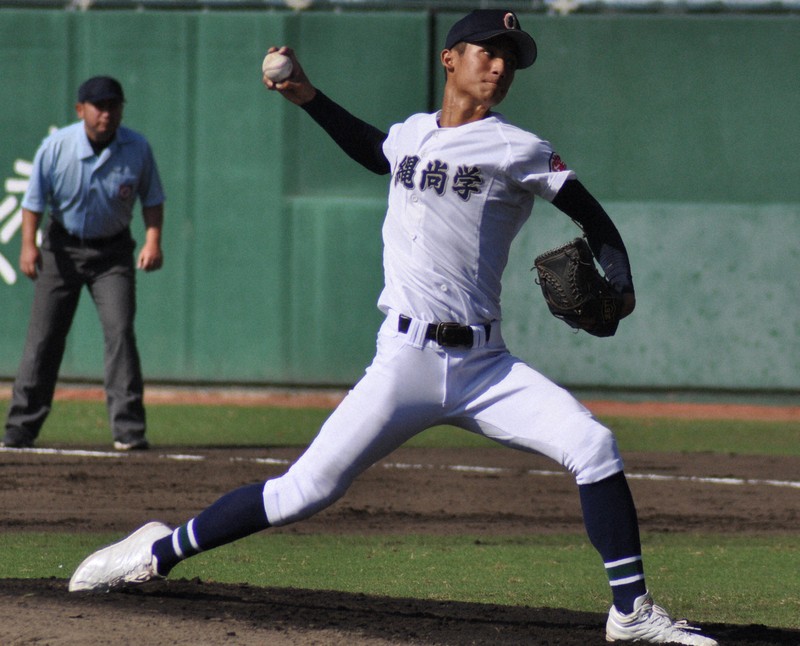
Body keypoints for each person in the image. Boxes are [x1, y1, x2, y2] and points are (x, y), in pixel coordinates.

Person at [68, 12, 716, 645]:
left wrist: (621, 288)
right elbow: (376, 149)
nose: (499, 65)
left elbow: (596, 224)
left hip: (486, 367)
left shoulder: (520, 148)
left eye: (510, 58)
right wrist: (307, 97)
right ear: (450, 59)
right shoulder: (410, 134)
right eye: (488, 50)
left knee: (594, 446)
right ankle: (158, 549)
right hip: (405, 359)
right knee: (304, 491)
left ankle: (631, 613)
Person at [2, 76, 165, 451]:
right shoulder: (57, 147)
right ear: (81, 110)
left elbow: (152, 198)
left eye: (114, 106)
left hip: (113, 254)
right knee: (44, 338)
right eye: (99, 106)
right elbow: (34, 202)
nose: (107, 113)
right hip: (61, 250)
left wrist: (153, 240)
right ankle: (20, 428)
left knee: (120, 332)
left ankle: (128, 431)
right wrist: (29, 245)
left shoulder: (136, 147)